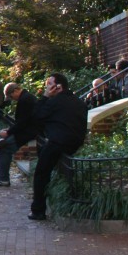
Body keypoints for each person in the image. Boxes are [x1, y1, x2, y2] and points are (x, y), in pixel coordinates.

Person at [29, 72, 88, 221]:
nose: (47, 87)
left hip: (57, 143)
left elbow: (36, 116)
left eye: (49, 84)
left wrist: (45, 97)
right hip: (75, 143)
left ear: (58, 87)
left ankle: (38, 210)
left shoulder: (54, 102)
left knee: (41, 174)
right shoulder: (79, 102)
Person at [0, 82, 39, 187]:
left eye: (11, 96)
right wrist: (9, 130)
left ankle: (3, 179)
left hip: (28, 132)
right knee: (5, 146)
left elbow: (22, 122)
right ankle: (3, 178)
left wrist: (8, 132)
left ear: (15, 91)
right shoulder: (26, 98)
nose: (12, 99)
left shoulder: (25, 100)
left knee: (5, 147)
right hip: (29, 130)